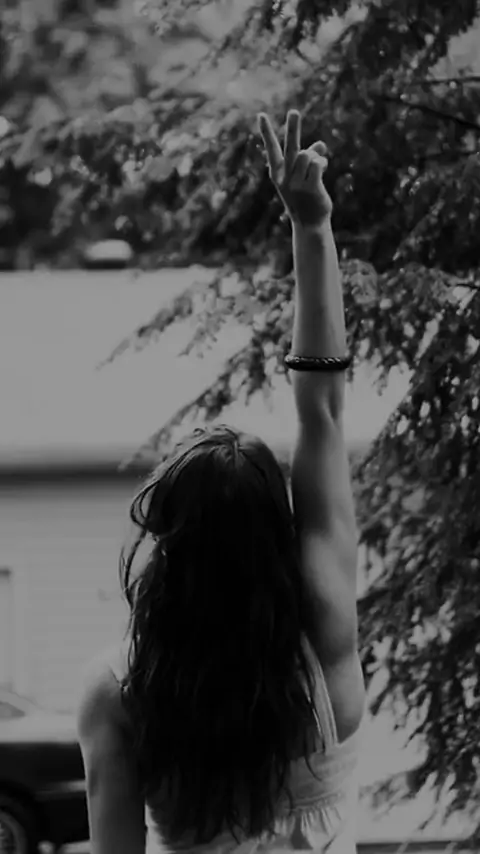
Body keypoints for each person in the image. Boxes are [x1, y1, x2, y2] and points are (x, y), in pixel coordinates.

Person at [76, 109, 366, 854]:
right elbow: (323, 411)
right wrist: (312, 225)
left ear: (168, 541)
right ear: (279, 528)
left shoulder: (119, 692)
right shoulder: (323, 630)